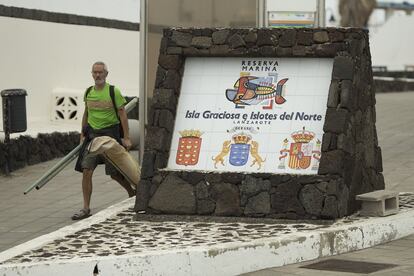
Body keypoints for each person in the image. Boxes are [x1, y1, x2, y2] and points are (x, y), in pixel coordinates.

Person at [72, 61, 135, 220]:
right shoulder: (88, 92)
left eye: (100, 72)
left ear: (106, 74)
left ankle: (132, 193)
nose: (97, 75)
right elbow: (86, 114)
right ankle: (86, 208)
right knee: (86, 170)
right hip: (93, 138)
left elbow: (122, 115)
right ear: (92, 74)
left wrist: (126, 137)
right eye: (95, 72)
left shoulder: (113, 91)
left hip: (110, 137)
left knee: (115, 174)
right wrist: (82, 135)